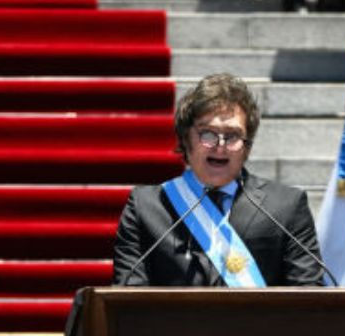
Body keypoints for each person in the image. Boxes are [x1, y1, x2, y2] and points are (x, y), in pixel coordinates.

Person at [111, 75, 324, 287]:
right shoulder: (146, 207)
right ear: (186, 139)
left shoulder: (286, 206)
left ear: (247, 146)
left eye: (232, 136)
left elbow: (309, 297)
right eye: (208, 134)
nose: (220, 146)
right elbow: (126, 300)